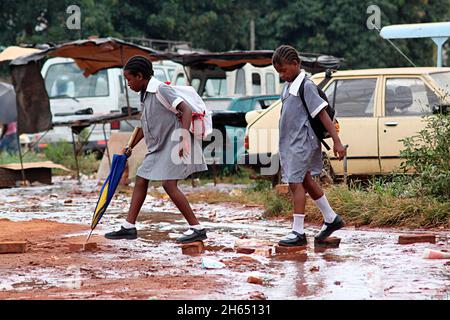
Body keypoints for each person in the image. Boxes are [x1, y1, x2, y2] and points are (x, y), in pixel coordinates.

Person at [105, 56, 208, 244]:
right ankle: (129, 226)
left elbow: (186, 111)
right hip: (158, 147)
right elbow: (144, 125)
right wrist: (130, 147)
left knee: (169, 185)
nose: (128, 84)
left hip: (174, 143)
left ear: (140, 76)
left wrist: (182, 139)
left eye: (129, 79)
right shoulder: (144, 94)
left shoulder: (161, 89)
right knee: (141, 179)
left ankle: (197, 228)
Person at [272, 45, 347, 246]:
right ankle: (331, 218)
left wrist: (337, 142)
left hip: (302, 143)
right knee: (305, 181)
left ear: (295, 64)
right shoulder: (289, 87)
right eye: (278, 72)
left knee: (295, 183)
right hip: (291, 143)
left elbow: (322, 114)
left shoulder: (306, 86)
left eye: (284, 70)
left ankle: (298, 232)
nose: (281, 75)